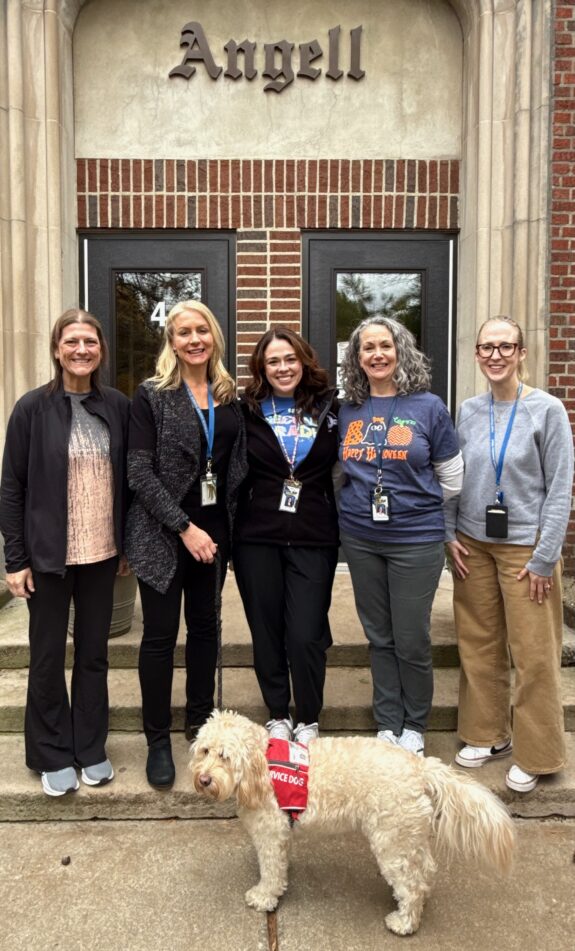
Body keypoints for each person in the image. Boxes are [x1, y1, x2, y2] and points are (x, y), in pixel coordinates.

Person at [0, 308, 130, 797]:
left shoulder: (117, 405)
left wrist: (126, 544)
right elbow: (11, 488)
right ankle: (51, 752)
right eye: (72, 341)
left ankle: (90, 747)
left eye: (90, 342)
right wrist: (16, 559)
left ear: (101, 350)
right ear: (57, 350)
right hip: (48, 559)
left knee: (94, 656)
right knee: (47, 657)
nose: (81, 350)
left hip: (102, 555)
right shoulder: (31, 409)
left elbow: (129, 480)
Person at [445, 316, 574, 792]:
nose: (495, 355)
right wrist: (449, 532)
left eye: (505, 346)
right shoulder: (468, 410)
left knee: (534, 653)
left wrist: (545, 556)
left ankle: (539, 754)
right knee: (478, 643)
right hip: (473, 544)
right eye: (487, 347)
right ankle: (487, 734)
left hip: (525, 549)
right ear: (476, 354)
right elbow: (454, 476)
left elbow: (560, 487)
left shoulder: (547, 409)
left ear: (521, 352)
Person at [125, 300, 246, 789]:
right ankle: (157, 739)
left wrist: (226, 535)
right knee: (159, 637)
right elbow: (138, 472)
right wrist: (184, 527)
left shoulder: (230, 396)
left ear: (214, 337)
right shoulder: (152, 395)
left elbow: (237, 468)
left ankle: (199, 726)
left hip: (214, 537)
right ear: (171, 342)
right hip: (163, 534)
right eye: (183, 333)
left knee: (205, 631)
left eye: (202, 330)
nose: (194, 340)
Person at [338, 316, 462, 756]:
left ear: (400, 351)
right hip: (360, 537)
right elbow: (339, 471)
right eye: (367, 348)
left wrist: (414, 507)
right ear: (357, 358)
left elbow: (452, 479)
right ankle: (388, 721)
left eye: (385, 346)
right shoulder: (347, 409)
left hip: (415, 541)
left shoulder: (429, 407)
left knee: (411, 637)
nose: (377, 355)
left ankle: (415, 724)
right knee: (379, 636)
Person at [233, 328, 340, 746]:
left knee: (305, 632)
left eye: (290, 359)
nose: (283, 368)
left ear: (304, 361)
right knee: (266, 630)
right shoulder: (245, 410)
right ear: (261, 368)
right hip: (257, 537)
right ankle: (278, 712)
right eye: (273, 361)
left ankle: (308, 716)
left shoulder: (331, 407)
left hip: (314, 534)